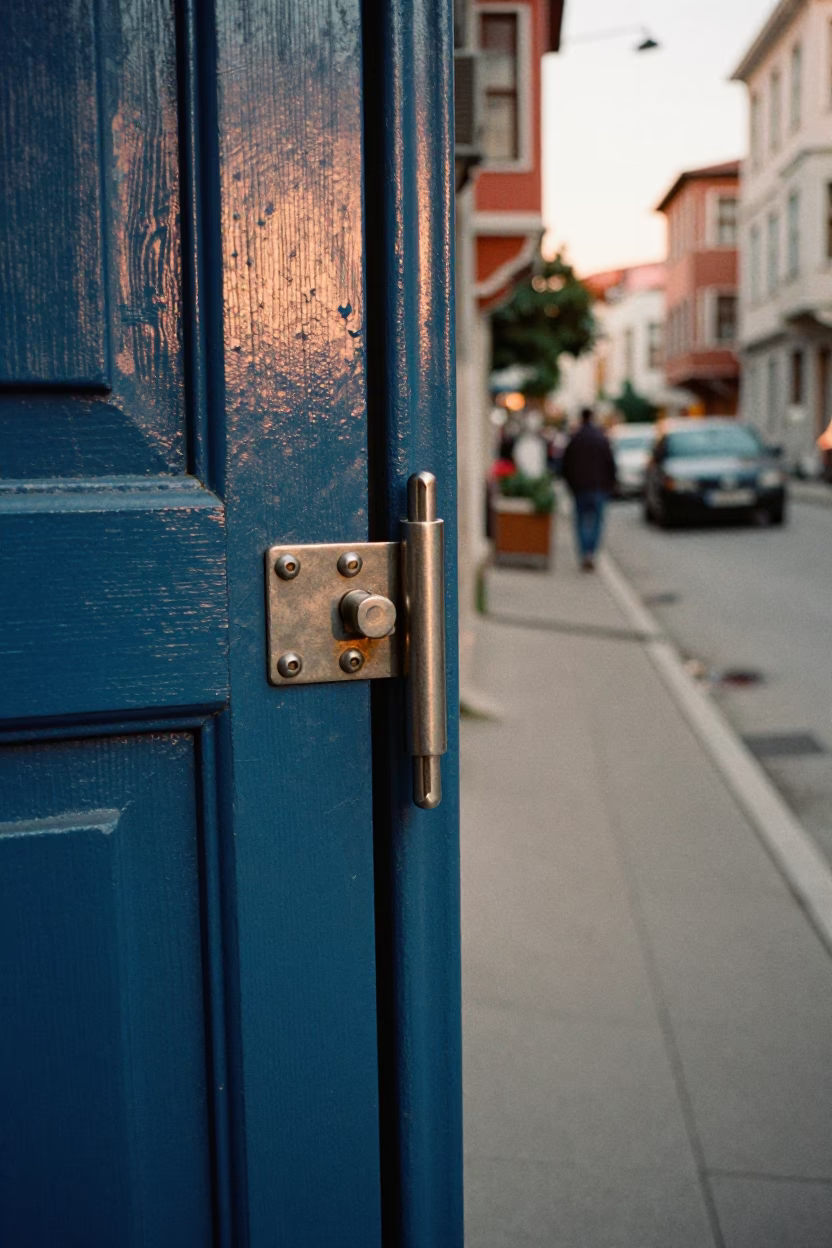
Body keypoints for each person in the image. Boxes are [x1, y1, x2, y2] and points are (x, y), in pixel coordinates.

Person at [561, 408, 617, 571]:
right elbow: (610, 464)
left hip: (580, 488)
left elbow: (566, 465)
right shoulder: (601, 438)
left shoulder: (575, 439)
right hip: (599, 487)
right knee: (597, 522)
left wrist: (571, 485)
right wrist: (610, 484)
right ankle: (591, 552)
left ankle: (585, 552)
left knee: (580, 522)